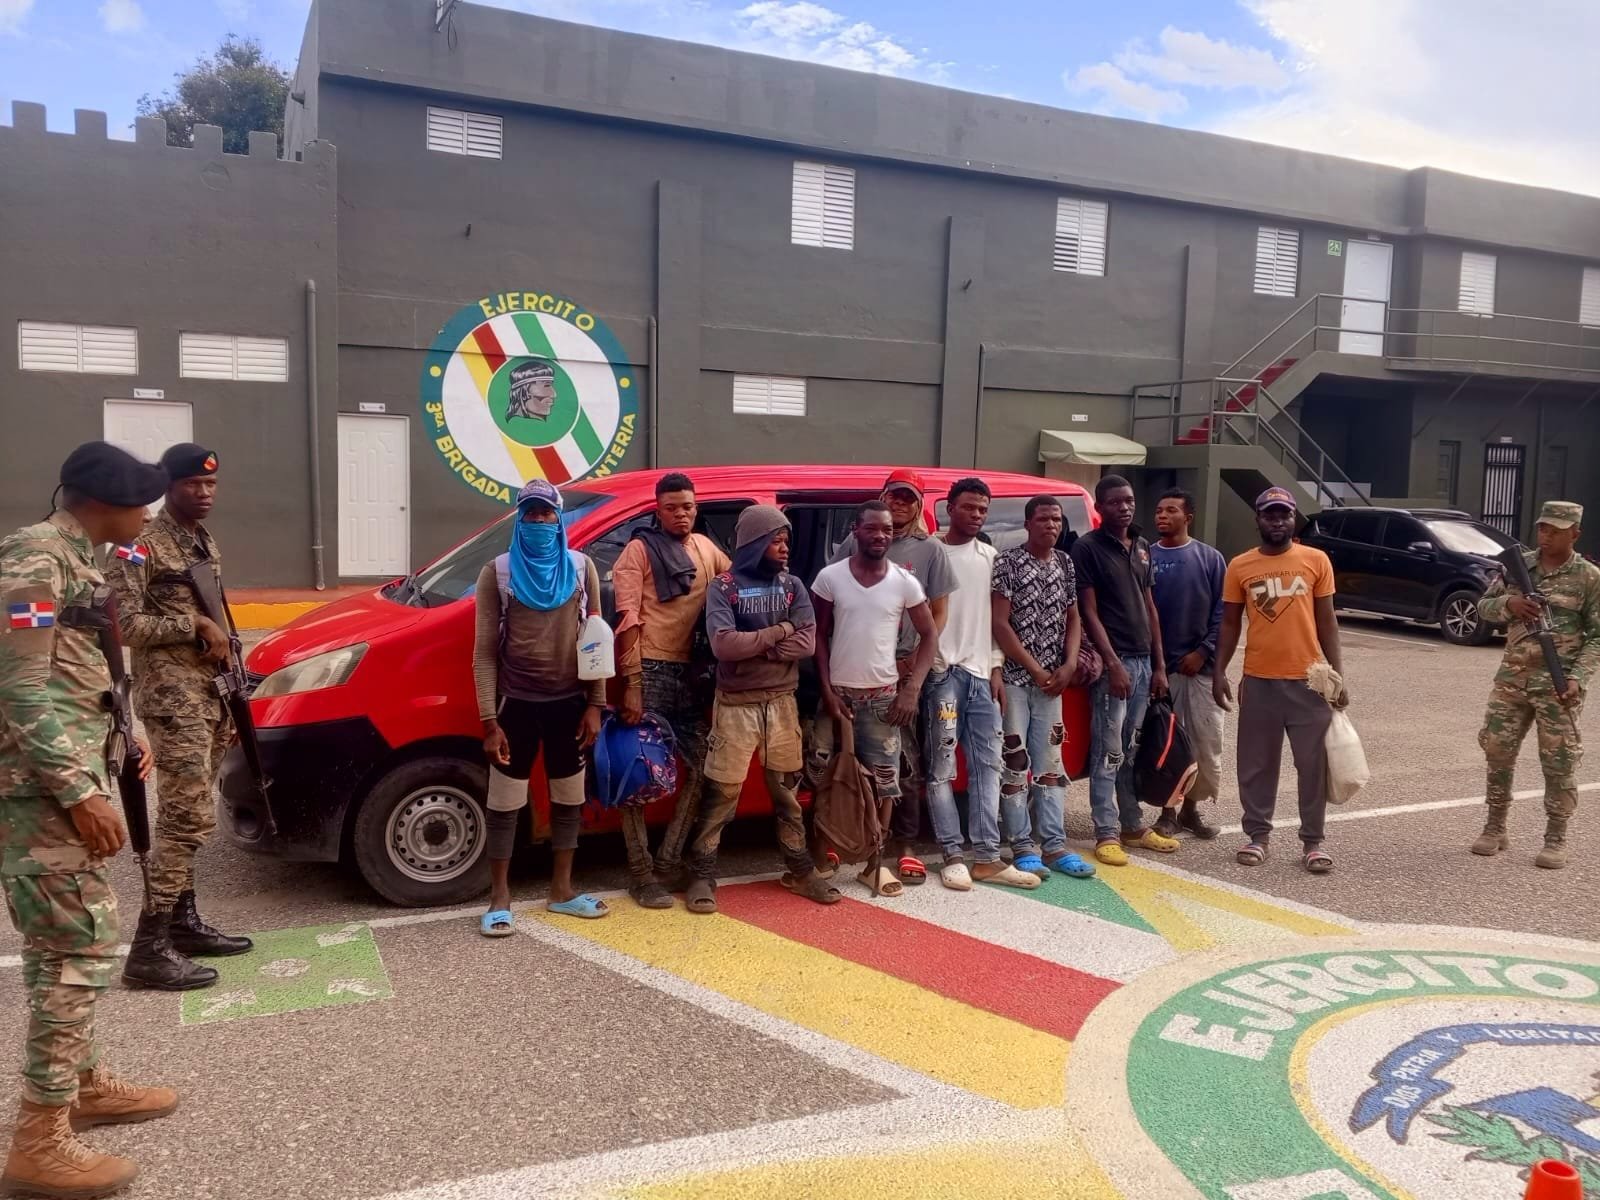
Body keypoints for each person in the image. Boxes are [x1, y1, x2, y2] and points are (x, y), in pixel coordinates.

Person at [0, 442, 179, 1199]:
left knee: (59, 946)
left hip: (61, 781)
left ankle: (79, 1087)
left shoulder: (78, 559)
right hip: (39, 794)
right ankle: (39, 1140)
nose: (149, 513)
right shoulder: (34, 559)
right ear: (104, 502)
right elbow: (19, 688)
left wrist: (123, 733)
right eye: (142, 500)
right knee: (82, 944)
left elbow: (73, 671)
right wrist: (80, 792)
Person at [106, 444, 251, 992]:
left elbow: (215, 611)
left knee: (188, 813)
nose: (205, 493)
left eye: (211, 484)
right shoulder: (138, 545)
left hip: (209, 695)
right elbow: (124, 625)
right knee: (185, 819)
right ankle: (148, 948)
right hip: (173, 702)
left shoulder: (201, 539)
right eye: (193, 484)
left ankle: (182, 924)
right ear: (168, 487)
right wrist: (194, 627)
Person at [686, 506, 837, 910]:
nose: (785, 548)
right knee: (723, 794)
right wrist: (781, 630)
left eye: (786, 540)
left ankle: (800, 871)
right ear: (754, 543)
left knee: (788, 794)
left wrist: (754, 646)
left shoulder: (793, 585)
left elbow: (807, 643)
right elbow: (724, 645)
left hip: (782, 703)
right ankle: (701, 874)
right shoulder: (724, 587)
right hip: (735, 705)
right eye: (776, 541)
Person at [474, 480, 608, 929]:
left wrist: (595, 704)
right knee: (504, 802)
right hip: (516, 705)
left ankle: (562, 891)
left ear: (559, 518)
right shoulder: (498, 573)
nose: (538, 521)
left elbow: (595, 641)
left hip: (569, 704)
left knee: (569, 797)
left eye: (546, 514)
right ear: (520, 519)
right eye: (530, 514)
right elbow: (484, 653)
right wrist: (489, 721)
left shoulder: (581, 567)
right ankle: (499, 898)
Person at [829, 469, 955, 887]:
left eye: (907, 498)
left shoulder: (930, 550)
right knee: (848, 757)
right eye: (893, 496)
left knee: (904, 761)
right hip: (858, 667)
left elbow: (938, 615)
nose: (899, 504)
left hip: (904, 668)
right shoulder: (856, 541)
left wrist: (913, 669)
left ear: (919, 504)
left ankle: (904, 845)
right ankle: (847, 836)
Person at [1213, 487, 1346, 874]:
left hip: (1310, 682)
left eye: (1284, 514)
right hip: (1260, 681)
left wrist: (1338, 675)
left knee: (1313, 765)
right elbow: (1229, 624)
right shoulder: (1240, 566)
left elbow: (1327, 622)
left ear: (1293, 519)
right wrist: (1219, 671)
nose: (1277, 521)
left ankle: (1313, 842)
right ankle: (1257, 836)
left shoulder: (1316, 560)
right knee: (1256, 765)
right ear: (1257, 519)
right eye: (1269, 515)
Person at [612, 472, 729, 908]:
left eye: (688, 507)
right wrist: (632, 685)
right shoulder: (637, 551)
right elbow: (627, 620)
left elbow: (735, 583)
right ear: (657, 511)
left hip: (691, 675)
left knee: (702, 768)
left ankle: (668, 861)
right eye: (672, 508)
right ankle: (641, 873)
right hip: (649, 670)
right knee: (637, 773)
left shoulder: (705, 548)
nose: (681, 514)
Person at [925, 479, 1041, 890]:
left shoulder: (990, 557)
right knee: (942, 768)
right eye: (969, 507)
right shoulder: (931, 552)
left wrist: (995, 668)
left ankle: (988, 857)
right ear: (949, 508)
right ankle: (952, 854)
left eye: (983, 510)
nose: (977, 515)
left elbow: (996, 620)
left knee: (988, 768)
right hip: (941, 675)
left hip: (981, 677)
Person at [1472, 500, 1600, 869]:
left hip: (1559, 685)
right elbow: (1483, 606)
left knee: (1559, 760)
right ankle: (1495, 827)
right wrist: (1510, 604)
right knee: (1497, 750)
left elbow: (1597, 636)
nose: (1546, 535)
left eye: (1556, 530)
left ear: (1574, 534)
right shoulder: (1519, 566)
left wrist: (1578, 677)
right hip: (1512, 679)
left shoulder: (1589, 577)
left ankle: (1556, 836)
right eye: (1543, 528)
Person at [1072, 475, 1177, 866]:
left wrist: (1159, 666)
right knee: (1108, 751)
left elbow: (1151, 607)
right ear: (1099, 508)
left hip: (1144, 662)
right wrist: (1113, 664)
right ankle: (1106, 832)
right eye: (1115, 502)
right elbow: (1088, 611)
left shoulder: (1143, 546)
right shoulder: (1087, 548)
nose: (1125, 507)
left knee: (1131, 749)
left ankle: (1132, 825)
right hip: (1113, 664)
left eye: (1129, 500)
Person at [991, 495, 1095, 881]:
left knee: (1051, 764)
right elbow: (999, 623)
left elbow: (1074, 617)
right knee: (1015, 763)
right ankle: (1021, 846)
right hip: (1017, 682)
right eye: (1043, 519)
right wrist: (1034, 669)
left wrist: (1069, 664)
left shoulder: (1065, 563)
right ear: (1027, 524)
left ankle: (1054, 846)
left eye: (1057, 519)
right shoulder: (1009, 563)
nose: (1051, 526)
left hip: (1053, 684)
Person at [1149, 488, 1225, 841]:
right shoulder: (1146, 557)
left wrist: (1204, 652)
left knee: (1204, 743)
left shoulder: (1210, 558)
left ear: (1188, 517)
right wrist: (1156, 664)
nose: (1162, 516)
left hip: (1200, 671)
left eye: (1171, 510)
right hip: (1161, 672)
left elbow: (1224, 612)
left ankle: (1191, 810)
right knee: (1166, 744)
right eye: (1159, 510)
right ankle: (1167, 813)